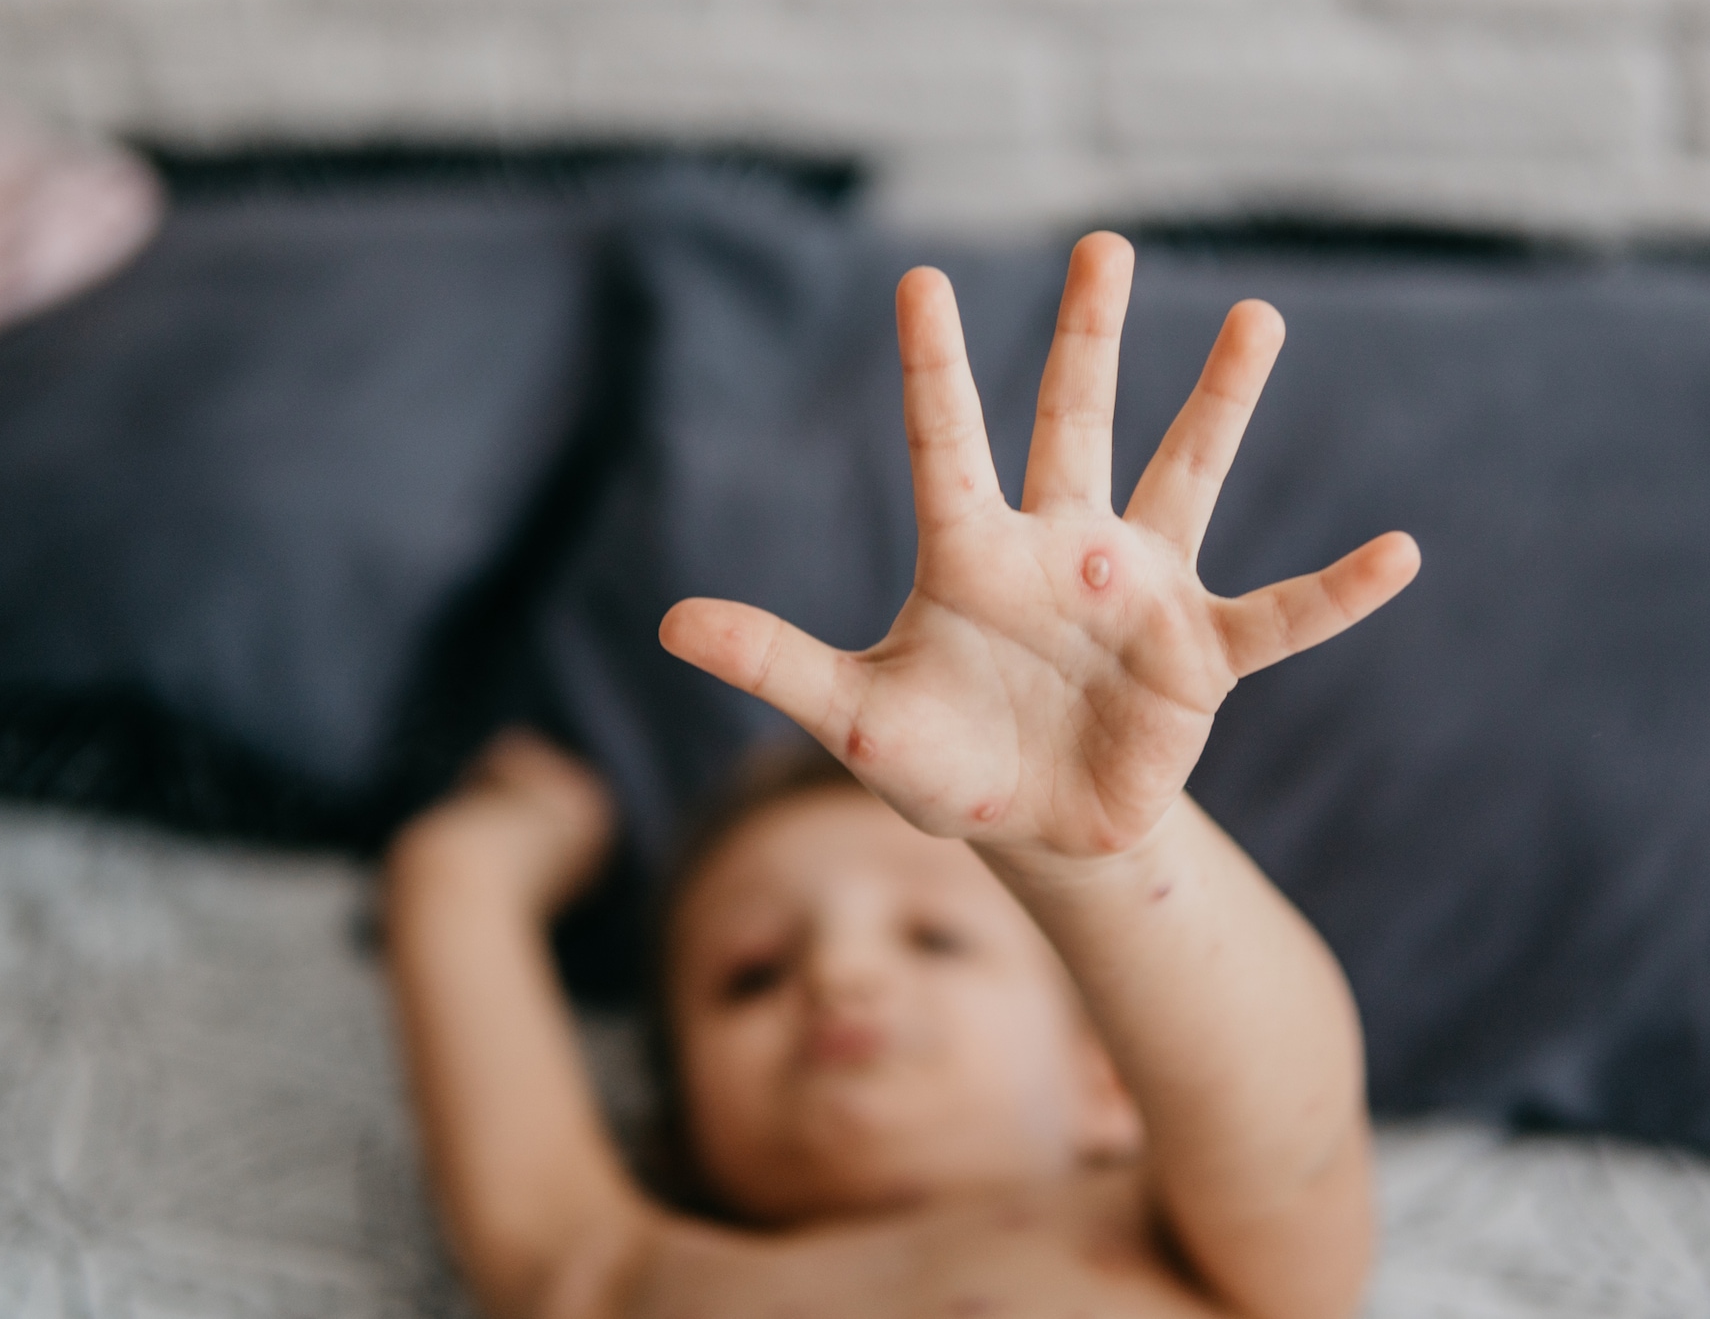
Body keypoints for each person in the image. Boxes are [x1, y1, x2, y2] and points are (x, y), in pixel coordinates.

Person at [385, 231, 1422, 1319]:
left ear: (1104, 1086)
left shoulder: (1176, 1243)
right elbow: (507, 1141)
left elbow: (1288, 1127)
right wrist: (480, 856)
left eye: (936, 938)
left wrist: (1099, 858)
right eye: (748, 977)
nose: (837, 977)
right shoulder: (622, 1272)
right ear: (678, 1133)